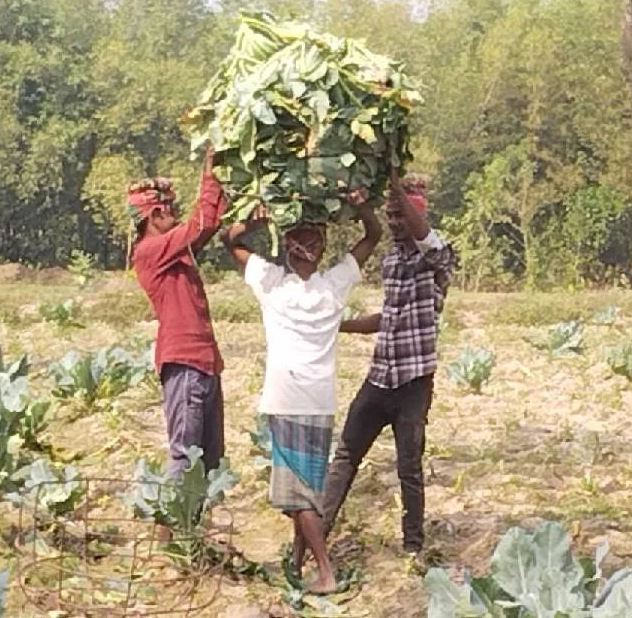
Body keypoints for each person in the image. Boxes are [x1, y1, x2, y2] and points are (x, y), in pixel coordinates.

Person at [222, 191, 381, 594]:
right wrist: (361, 205)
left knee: (298, 497)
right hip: (320, 402)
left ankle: (325, 571)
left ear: (287, 248)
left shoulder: (272, 284)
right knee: (306, 487)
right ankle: (296, 562)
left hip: (286, 399)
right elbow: (373, 234)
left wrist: (255, 222)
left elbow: (230, 241)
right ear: (321, 248)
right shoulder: (334, 285)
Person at [322, 167, 458, 555]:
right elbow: (388, 318)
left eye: (403, 215)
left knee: (409, 467)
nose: (397, 223)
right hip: (380, 377)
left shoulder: (438, 258)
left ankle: (413, 548)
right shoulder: (392, 260)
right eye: (392, 216)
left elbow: (427, 239)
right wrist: (337, 326)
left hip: (414, 383)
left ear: (418, 214)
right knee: (345, 456)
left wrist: (395, 185)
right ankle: (316, 535)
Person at [128, 147, 227, 479]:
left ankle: (191, 526)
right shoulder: (151, 251)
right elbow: (201, 223)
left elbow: (208, 225)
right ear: (154, 215)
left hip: (205, 362)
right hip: (184, 363)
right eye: (169, 209)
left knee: (211, 460)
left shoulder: (174, 251)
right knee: (185, 455)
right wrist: (210, 169)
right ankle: (169, 528)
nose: (176, 214)